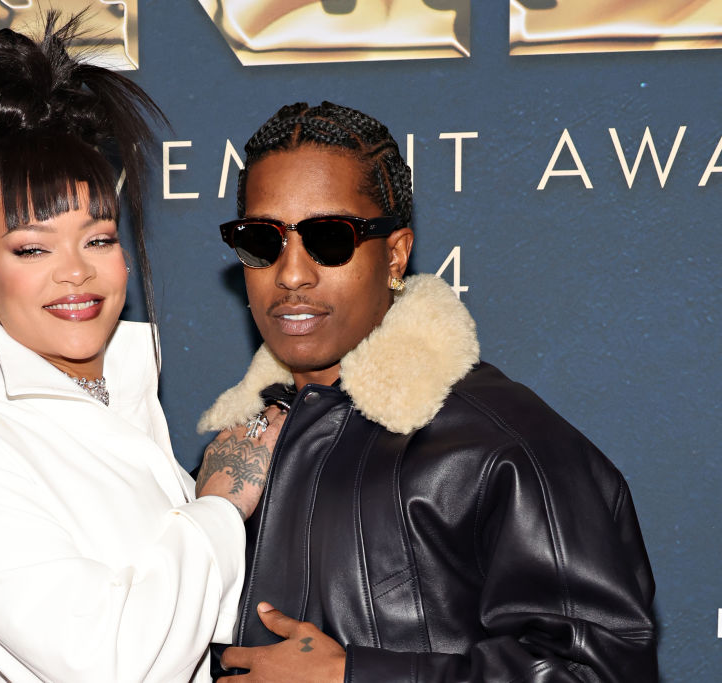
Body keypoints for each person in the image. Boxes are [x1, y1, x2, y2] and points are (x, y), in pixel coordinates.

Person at [198, 101, 657, 682]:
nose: (291, 274)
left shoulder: (504, 447)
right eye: (263, 241)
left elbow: (597, 671)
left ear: (395, 254)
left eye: (330, 239)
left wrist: (355, 677)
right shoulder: (234, 451)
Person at [0, 16, 282, 682]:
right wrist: (221, 504)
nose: (75, 272)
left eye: (98, 239)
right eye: (32, 249)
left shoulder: (128, 410)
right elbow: (113, 664)